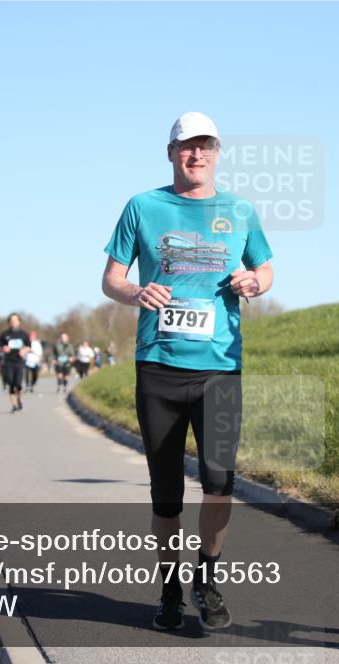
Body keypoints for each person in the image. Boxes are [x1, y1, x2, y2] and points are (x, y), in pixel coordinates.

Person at [102, 112, 274, 632]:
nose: (195, 155)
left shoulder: (239, 209)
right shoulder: (143, 207)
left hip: (220, 367)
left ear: (217, 152)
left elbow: (265, 267)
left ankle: (208, 577)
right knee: (166, 492)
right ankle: (171, 589)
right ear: (171, 152)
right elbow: (111, 277)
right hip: (159, 365)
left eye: (205, 146)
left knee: (220, 481)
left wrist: (255, 282)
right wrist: (135, 291)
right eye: (185, 147)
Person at [0, 314, 30, 412]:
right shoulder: (4, 334)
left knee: (18, 383)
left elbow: (29, 346)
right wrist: (3, 348)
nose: (13, 322)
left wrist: (24, 350)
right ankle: (14, 404)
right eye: (11, 320)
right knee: (10, 383)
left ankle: (19, 399)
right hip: (8, 362)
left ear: (19, 322)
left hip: (19, 362)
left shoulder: (23, 334)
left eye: (15, 320)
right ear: (9, 322)